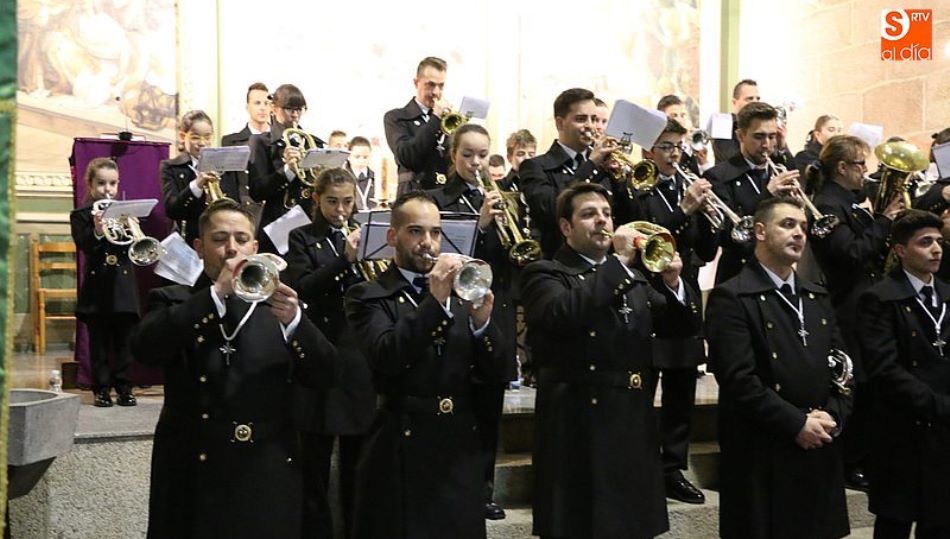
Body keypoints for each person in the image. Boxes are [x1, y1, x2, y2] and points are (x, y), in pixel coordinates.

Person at [130, 199, 339, 539]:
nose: (232, 249)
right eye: (219, 239)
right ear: (199, 247)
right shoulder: (173, 299)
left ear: (255, 247)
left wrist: (297, 323)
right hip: (194, 468)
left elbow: (326, 374)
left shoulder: (279, 305)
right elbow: (145, 349)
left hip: (267, 466)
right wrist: (215, 294)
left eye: (241, 239)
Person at [521, 182, 702, 539]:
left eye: (606, 214)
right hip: (577, 423)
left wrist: (673, 282)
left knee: (632, 524)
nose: (602, 222)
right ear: (566, 227)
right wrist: (619, 263)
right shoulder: (546, 273)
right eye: (589, 214)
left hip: (632, 418)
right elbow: (563, 313)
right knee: (581, 524)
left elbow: (679, 324)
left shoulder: (634, 277)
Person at [344, 191, 507, 539]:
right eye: (416, 232)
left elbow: (496, 373)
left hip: (458, 443)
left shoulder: (462, 292)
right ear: (393, 237)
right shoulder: (369, 295)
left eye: (435, 233)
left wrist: (482, 324)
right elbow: (387, 356)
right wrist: (434, 301)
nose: (428, 243)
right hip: (401, 442)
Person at [706, 196, 852, 539]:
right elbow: (737, 379)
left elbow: (842, 366)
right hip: (764, 449)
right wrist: (796, 423)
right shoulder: (733, 296)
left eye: (803, 226)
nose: (800, 233)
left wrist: (834, 416)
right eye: (787, 225)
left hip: (819, 440)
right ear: (760, 231)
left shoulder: (816, 294)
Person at [427, 124, 519, 520]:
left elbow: (513, 257)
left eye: (483, 155)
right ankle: (447, 484)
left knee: (488, 407)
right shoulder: (436, 200)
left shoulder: (503, 198)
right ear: (453, 156)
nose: (477, 162)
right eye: (468, 154)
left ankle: (483, 489)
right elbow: (440, 258)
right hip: (453, 314)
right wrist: (480, 226)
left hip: (490, 313)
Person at [807, 134, 903, 490]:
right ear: (843, 168)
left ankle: (863, 456)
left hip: (865, 302)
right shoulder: (828, 204)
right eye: (861, 164)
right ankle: (851, 460)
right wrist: (883, 222)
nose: (867, 172)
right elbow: (848, 255)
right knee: (857, 386)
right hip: (847, 306)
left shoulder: (849, 201)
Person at [285, 168, 376, 539]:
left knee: (359, 461)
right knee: (315, 461)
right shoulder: (303, 237)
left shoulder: (368, 234)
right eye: (332, 202)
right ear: (316, 201)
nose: (340, 210)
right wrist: (344, 260)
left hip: (358, 355)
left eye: (347, 202)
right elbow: (303, 286)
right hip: (320, 350)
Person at [637, 119, 719, 504]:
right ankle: (638, 464)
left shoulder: (683, 185)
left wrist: (704, 213)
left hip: (684, 294)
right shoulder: (639, 187)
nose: (674, 154)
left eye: (678, 146)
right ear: (648, 151)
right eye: (666, 146)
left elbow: (705, 249)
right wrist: (685, 209)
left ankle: (673, 466)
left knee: (682, 389)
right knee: (643, 388)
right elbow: (646, 236)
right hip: (648, 294)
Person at [857, 209, 950, 539]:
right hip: (900, 429)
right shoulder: (880, 297)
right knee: (895, 522)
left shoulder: (947, 293)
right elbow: (885, 369)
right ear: (900, 250)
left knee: (941, 521)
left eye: (939, 241)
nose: (936, 249)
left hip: (944, 432)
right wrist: (937, 404)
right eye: (925, 243)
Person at [520, 87, 639, 258]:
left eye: (594, 119)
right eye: (581, 119)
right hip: (560, 265)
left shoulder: (602, 167)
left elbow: (631, 217)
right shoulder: (535, 166)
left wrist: (619, 181)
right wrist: (590, 165)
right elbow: (550, 209)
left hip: (607, 262)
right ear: (560, 123)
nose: (590, 126)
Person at [704, 101, 800, 284]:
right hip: (739, 273)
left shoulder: (780, 169)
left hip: (780, 271)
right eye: (759, 137)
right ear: (740, 135)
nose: (767, 145)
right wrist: (767, 195)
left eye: (772, 136)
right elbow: (728, 235)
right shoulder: (718, 175)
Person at [70, 157, 140, 407]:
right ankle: (101, 389)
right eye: (101, 183)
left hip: (123, 287)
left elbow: (136, 250)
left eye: (112, 183)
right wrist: (98, 230)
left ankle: (124, 387)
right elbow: (85, 246)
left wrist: (132, 227)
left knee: (125, 342)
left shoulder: (126, 212)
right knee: (99, 343)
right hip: (98, 287)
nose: (107, 189)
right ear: (90, 185)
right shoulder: (80, 215)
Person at [248, 83, 325, 253]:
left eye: (299, 109)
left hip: (308, 221)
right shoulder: (261, 142)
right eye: (289, 109)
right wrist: (288, 170)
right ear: (273, 108)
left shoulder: (313, 142)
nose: (295, 115)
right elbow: (257, 191)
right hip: (277, 223)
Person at [161, 110, 241, 245]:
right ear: (182, 136)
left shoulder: (225, 165)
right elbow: (172, 209)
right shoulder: (170, 167)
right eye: (195, 137)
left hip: (221, 238)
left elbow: (235, 202)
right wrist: (196, 185)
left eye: (207, 137)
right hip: (189, 240)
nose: (202, 143)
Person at [383, 56, 452, 194]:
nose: (436, 92)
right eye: (430, 85)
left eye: (441, 86)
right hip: (414, 192)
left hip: (445, 194)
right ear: (416, 83)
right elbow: (408, 157)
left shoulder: (447, 119)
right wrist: (435, 119)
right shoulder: (396, 117)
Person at [221, 82, 271, 224]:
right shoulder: (231, 141)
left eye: (267, 103)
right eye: (257, 103)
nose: (263, 108)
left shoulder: (280, 140)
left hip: (274, 211)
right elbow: (229, 183)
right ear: (247, 106)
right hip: (244, 211)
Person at [657, 94, 709, 175]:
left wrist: (703, 163)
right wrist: (687, 146)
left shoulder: (689, 146)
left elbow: (704, 180)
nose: (680, 120)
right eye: (674, 116)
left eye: (682, 115)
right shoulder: (660, 144)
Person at [712, 79, 760, 163]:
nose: (755, 103)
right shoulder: (722, 123)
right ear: (734, 102)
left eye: (757, 98)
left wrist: (782, 146)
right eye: (749, 99)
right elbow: (731, 159)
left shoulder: (760, 125)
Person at [794, 114, 843, 188]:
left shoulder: (843, 158)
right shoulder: (804, 157)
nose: (837, 134)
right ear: (817, 134)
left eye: (839, 130)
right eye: (831, 130)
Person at [344, 136, 379, 210]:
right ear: (348, 156)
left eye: (365, 157)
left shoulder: (377, 179)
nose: (361, 160)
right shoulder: (343, 179)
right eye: (357, 157)